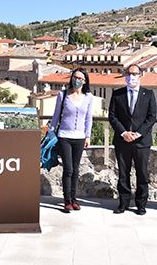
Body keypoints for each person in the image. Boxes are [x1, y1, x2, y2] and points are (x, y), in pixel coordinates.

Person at [108, 64, 157, 215]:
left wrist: (137, 134)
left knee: (142, 173)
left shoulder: (148, 94)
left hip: (141, 142)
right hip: (122, 140)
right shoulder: (117, 94)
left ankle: (141, 204)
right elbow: (112, 116)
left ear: (140, 75)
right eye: (129, 74)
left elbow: (151, 117)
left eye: (135, 74)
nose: (132, 77)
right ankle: (123, 203)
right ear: (125, 75)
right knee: (123, 173)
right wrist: (124, 133)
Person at [49, 68, 93, 213]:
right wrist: (50, 131)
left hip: (79, 137)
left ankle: (74, 198)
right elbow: (56, 115)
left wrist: (88, 135)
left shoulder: (88, 97)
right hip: (64, 136)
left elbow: (88, 118)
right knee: (68, 169)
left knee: (75, 170)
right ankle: (66, 200)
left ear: (85, 81)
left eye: (81, 78)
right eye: (75, 77)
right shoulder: (63, 95)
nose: (77, 80)